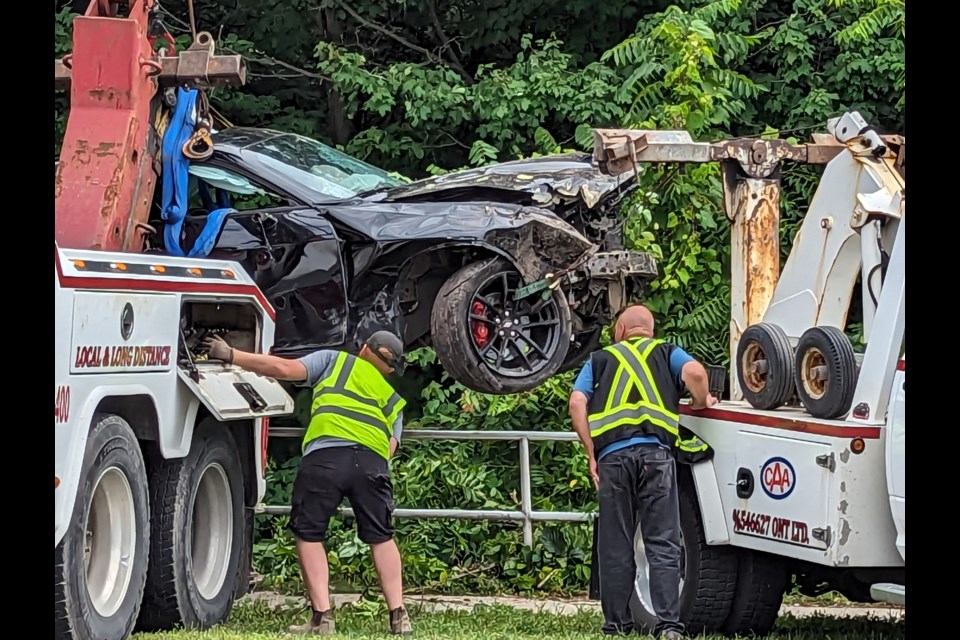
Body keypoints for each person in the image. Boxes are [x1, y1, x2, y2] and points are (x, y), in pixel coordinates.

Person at [202, 330, 414, 636]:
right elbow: (391, 446)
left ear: (364, 348)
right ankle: (398, 616)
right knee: (381, 537)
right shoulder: (392, 398)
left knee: (309, 532)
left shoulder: (334, 361)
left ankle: (323, 618)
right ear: (391, 369)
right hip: (371, 463)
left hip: (326, 456)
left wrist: (231, 354)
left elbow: (284, 369)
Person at [567, 305, 717, 639]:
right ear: (649, 329)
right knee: (662, 541)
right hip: (656, 457)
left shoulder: (600, 360)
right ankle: (668, 627)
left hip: (613, 460)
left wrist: (591, 452)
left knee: (615, 543)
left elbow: (577, 402)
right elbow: (695, 373)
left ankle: (616, 625)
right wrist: (701, 401)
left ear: (620, 330)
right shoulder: (666, 353)